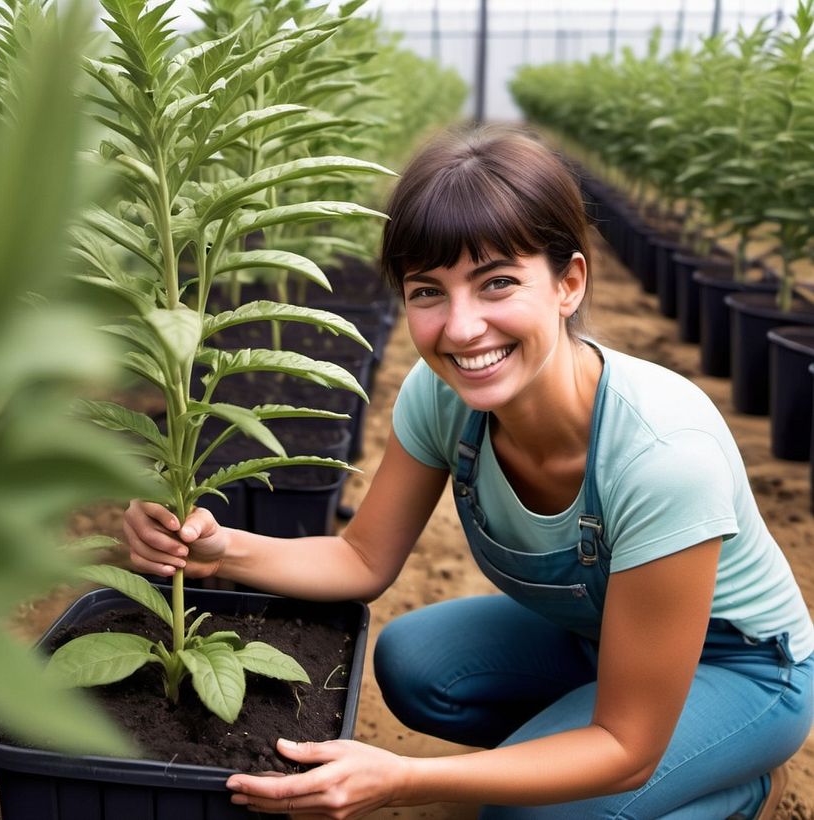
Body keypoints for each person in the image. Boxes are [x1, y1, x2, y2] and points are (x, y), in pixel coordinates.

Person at [124, 124, 814, 819]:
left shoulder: (661, 456)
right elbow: (360, 557)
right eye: (428, 291)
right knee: (417, 666)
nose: (461, 328)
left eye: (498, 284)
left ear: (569, 282)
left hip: (745, 669)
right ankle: (587, 758)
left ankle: (737, 784)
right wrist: (219, 548)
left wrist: (405, 779)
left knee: (527, 814)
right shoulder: (443, 395)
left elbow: (626, 745)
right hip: (601, 638)